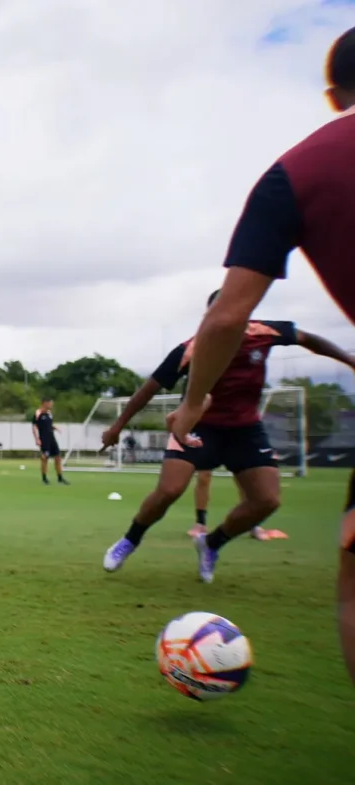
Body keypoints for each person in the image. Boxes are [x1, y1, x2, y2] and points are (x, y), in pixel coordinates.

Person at [165, 27, 355, 684]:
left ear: (333, 95)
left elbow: (226, 316)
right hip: (226, 429)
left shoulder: (294, 173)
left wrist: (191, 405)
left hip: (226, 423)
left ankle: (208, 538)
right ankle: (168, 538)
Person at [104, 289, 353, 583]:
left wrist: (349, 359)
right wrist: (118, 426)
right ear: (209, 318)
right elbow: (150, 388)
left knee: (267, 500)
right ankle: (130, 540)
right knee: (169, 490)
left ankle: (211, 544)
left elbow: (310, 340)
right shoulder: (191, 349)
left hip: (245, 430)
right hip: (198, 426)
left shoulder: (265, 332)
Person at [188, 471, 285, 540]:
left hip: (235, 442)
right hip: (211, 442)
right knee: (204, 475)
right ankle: (200, 523)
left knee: (244, 476)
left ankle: (253, 525)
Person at [32, 397, 69, 485]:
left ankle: (60, 477)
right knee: (45, 457)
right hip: (44, 439)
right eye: (50, 403)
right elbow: (34, 427)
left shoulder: (49, 413)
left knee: (58, 457)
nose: (51, 405)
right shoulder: (38, 413)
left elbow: (49, 425)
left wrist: (54, 427)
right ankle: (44, 478)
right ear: (45, 403)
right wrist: (37, 439)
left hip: (52, 438)